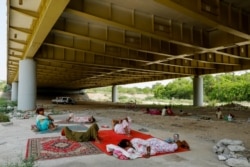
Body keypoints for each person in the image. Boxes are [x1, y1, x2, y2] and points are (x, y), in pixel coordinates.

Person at [118, 137, 190, 158]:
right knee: (168, 147)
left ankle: (181, 142)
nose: (126, 149)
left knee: (171, 149)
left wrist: (148, 154)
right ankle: (175, 142)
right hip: (153, 148)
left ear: (128, 143)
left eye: (126, 148)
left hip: (153, 143)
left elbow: (147, 144)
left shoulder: (135, 141)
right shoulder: (132, 147)